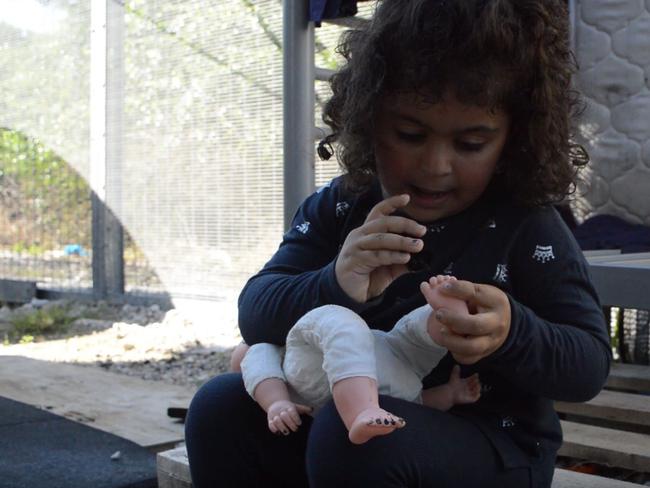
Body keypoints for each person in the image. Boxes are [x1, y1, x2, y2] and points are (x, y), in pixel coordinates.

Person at [185, 1, 612, 486]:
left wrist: (510, 333)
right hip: (339, 429)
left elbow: (588, 365)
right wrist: (336, 282)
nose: (435, 166)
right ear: (368, 118)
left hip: (489, 445)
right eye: (410, 134)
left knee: (357, 439)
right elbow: (256, 311)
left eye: (471, 144)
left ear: (516, 138)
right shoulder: (342, 207)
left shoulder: (527, 225)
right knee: (219, 407)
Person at [239, 275, 480, 445]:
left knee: (358, 329)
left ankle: (444, 317)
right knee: (398, 340)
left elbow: (258, 368)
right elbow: (417, 400)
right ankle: (444, 317)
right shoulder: (264, 354)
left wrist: (276, 402)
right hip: (391, 372)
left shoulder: (263, 348)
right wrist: (449, 394)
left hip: (381, 354)